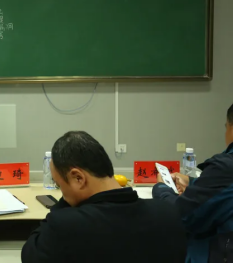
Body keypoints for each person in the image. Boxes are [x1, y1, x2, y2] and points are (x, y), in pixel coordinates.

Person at [22, 131, 187, 263]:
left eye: (59, 184)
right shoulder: (169, 213)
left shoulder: (64, 225)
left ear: (78, 178)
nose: (61, 191)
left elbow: (30, 255)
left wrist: (63, 205)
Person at [153, 104, 233, 262]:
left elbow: (182, 216)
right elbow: (224, 191)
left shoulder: (226, 167)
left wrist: (162, 188)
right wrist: (192, 182)